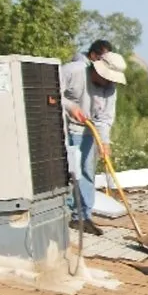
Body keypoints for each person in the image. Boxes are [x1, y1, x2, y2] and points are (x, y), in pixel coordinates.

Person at [60, 40, 128, 234]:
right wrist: (71, 107)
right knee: (65, 173)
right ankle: (61, 213)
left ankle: (82, 217)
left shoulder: (110, 89)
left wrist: (104, 142)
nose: (109, 82)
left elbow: (105, 119)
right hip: (62, 128)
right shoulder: (72, 71)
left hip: (88, 132)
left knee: (86, 171)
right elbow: (49, 89)